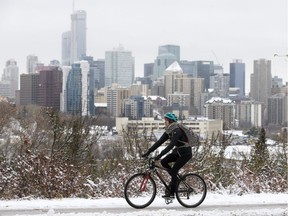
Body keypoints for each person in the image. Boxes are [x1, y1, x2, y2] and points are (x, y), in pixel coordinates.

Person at [141, 112, 192, 199]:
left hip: (185, 153)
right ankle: (175, 179)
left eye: (166, 120)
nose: (164, 122)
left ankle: (172, 194)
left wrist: (159, 155)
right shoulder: (169, 131)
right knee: (164, 162)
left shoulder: (177, 131)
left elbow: (171, 145)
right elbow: (159, 142)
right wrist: (148, 152)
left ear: (170, 121)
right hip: (178, 152)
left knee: (174, 170)